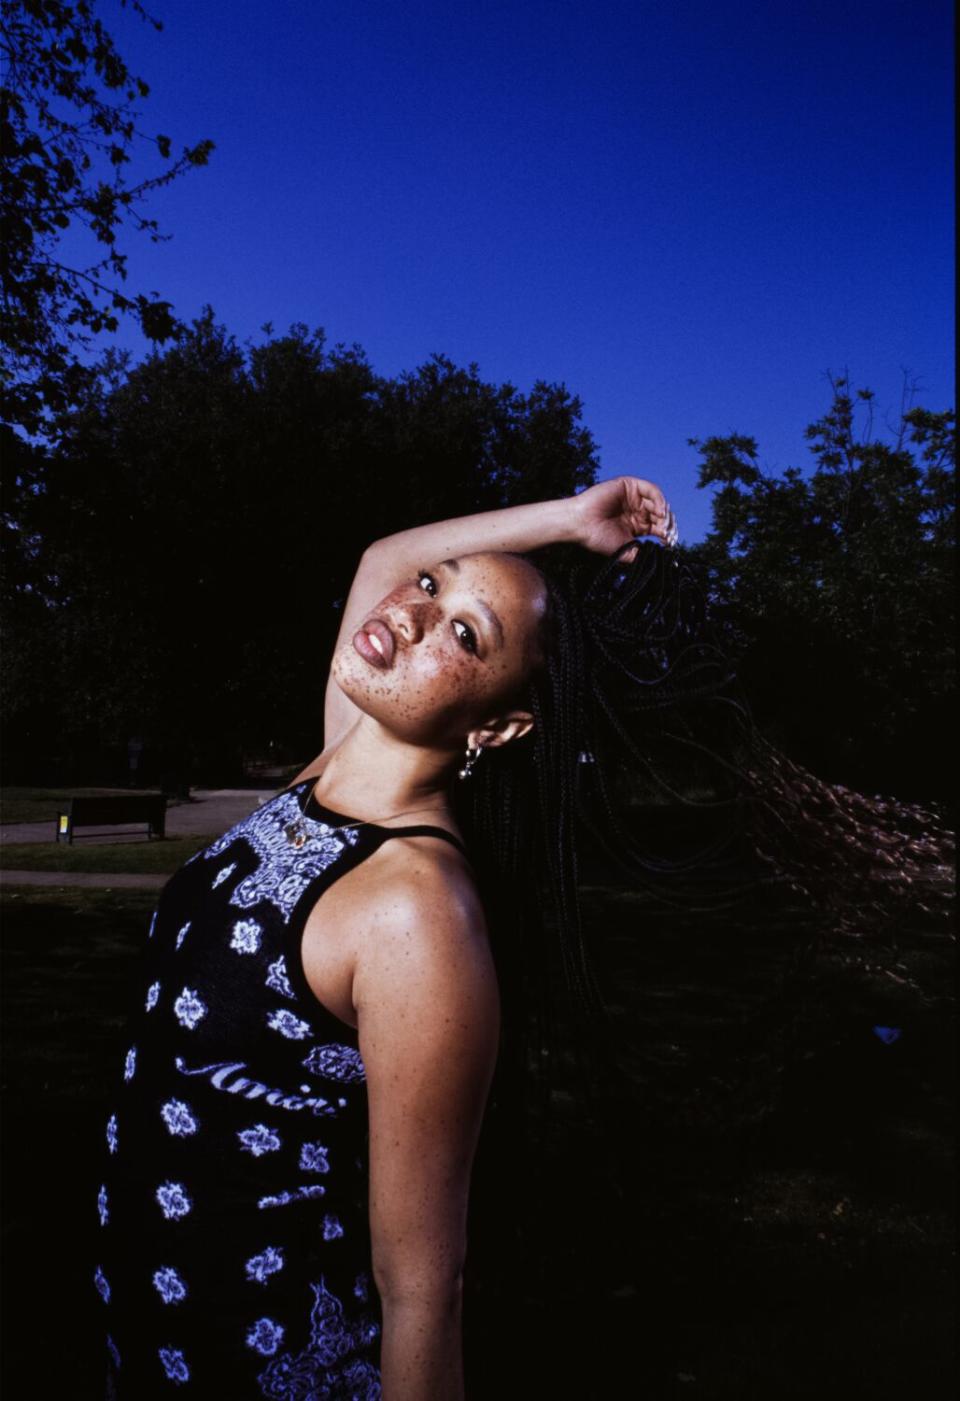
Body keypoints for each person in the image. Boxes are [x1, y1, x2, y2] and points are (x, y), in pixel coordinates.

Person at [93, 477, 951, 1398]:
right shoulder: (338, 765)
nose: (416, 614)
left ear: (498, 725)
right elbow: (383, 557)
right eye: (434, 586)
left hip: (267, 1365)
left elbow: (424, 1290)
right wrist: (571, 522)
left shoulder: (416, 909)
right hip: (148, 1337)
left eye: (466, 634)